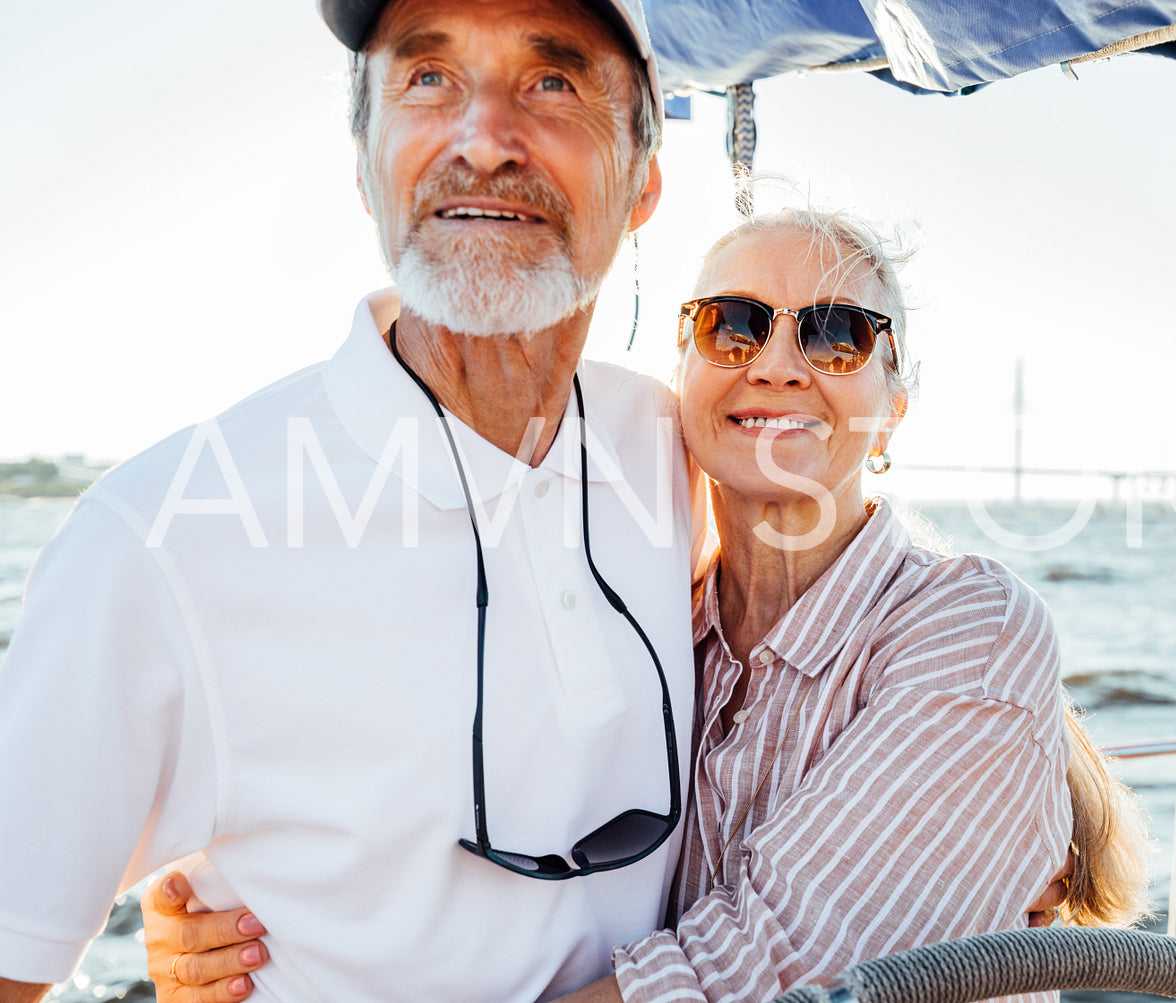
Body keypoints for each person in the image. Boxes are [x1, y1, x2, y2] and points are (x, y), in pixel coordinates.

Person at [142, 208, 1150, 1003]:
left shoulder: (970, 629)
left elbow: (776, 966)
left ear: (893, 405)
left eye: (839, 334)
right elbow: (418, 793)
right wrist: (239, 921)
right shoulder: (648, 630)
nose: (776, 361)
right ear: (682, 373)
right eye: (733, 323)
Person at [0, 0, 702, 1000]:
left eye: (553, 81)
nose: (484, 140)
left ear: (644, 183)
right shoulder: (157, 543)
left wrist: (1002, 825)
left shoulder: (681, 452)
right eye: (428, 79)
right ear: (363, 163)